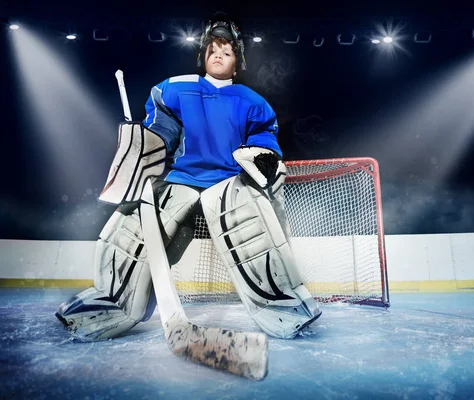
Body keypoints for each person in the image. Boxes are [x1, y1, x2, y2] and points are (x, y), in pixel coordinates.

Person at [55, 12, 321, 341]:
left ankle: (281, 304)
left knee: (252, 231)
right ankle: (112, 303)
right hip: (182, 180)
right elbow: (162, 130)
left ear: (237, 62)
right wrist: (145, 147)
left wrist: (264, 158)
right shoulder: (177, 90)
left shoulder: (253, 103)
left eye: (226, 49)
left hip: (228, 183)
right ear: (203, 57)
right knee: (132, 229)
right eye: (212, 49)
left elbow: (263, 139)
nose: (218, 53)